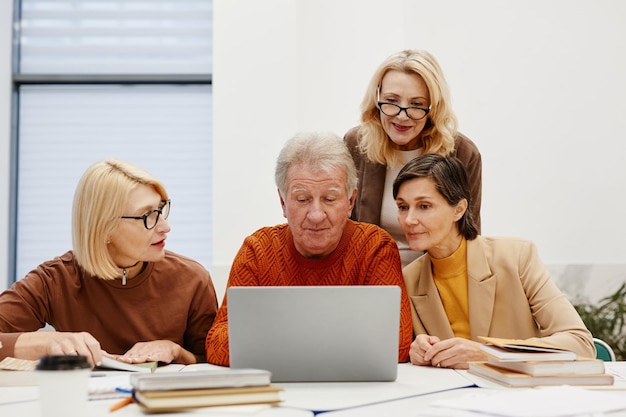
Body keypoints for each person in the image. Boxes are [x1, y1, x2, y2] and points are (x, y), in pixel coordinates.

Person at [206, 131, 413, 366]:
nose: (316, 215)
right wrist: (345, 339)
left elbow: (397, 343)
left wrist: (271, 340)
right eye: (302, 199)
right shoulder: (257, 250)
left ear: (350, 201)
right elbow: (218, 344)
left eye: (329, 199)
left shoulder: (374, 247)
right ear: (283, 203)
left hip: (353, 390)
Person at [0, 158, 218, 366]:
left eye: (161, 210)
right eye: (148, 215)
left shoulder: (192, 279)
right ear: (104, 228)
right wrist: (46, 344)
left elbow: (214, 362)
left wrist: (175, 351)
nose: (165, 226)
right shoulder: (54, 280)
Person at [393, 154, 595, 369]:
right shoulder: (408, 278)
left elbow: (581, 344)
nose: (409, 220)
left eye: (424, 206)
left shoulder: (516, 256)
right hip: (449, 397)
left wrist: (487, 354)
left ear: (459, 209)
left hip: (521, 395)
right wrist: (415, 350)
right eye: (403, 207)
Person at [345, 49, 482, 267]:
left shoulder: (463, 153)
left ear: (433, 108)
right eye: (391, 100)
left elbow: (469, 238)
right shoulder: (355, 144)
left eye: (417, 104)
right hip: (370, 276)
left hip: (435, 280)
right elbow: (346, 228)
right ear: (377, 98)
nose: (402, 115)